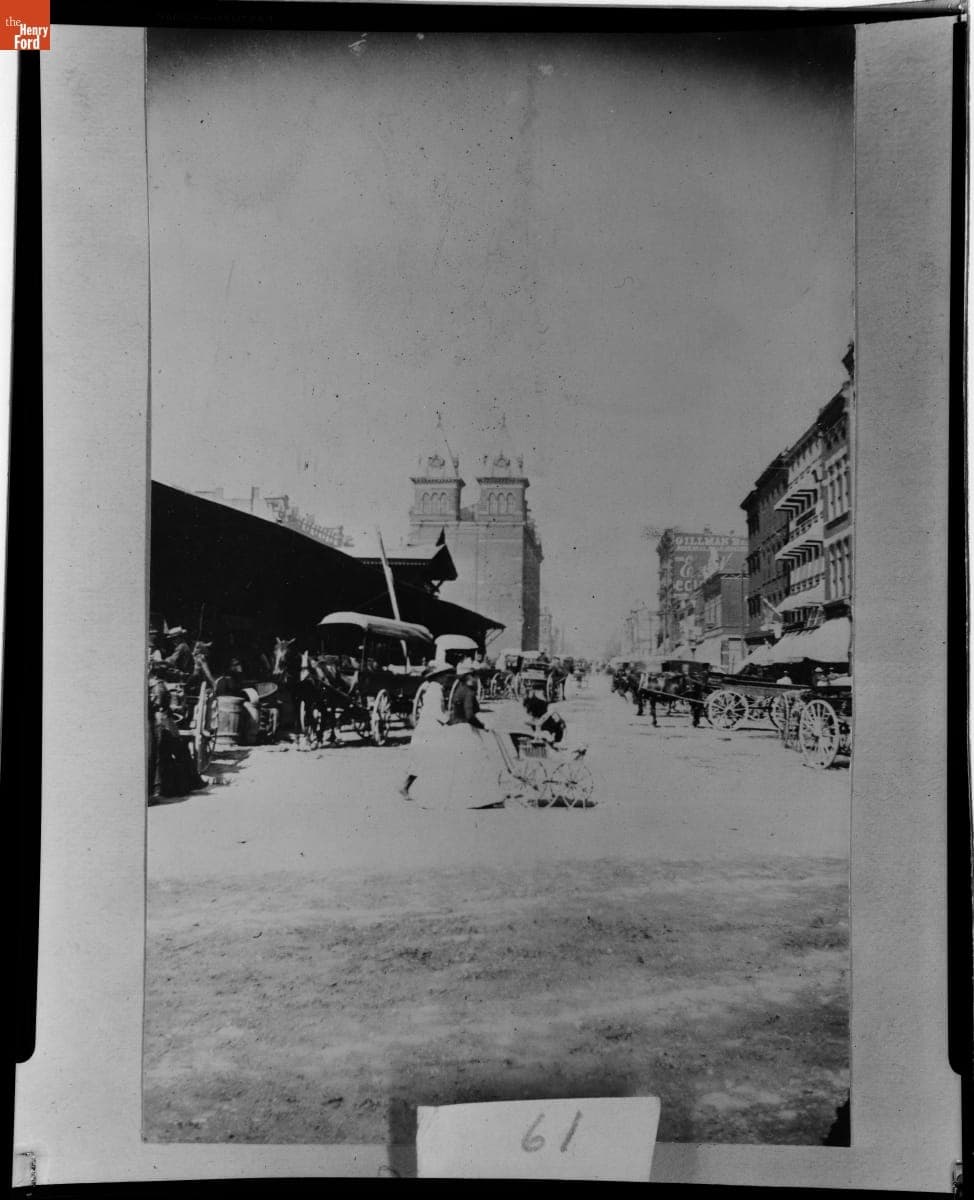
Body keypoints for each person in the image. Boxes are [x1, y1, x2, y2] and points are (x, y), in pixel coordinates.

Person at [400, 662, 453, 799]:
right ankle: (408, 787)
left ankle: (408, 786)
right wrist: (449, 721)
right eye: (445, 675)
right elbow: (437, 711)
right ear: (438, 677)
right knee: (431, 758)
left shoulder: (431, 687)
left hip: (427, 726)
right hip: (431, 727)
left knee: (423, 759)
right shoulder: (436, 690)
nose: (447, 678)